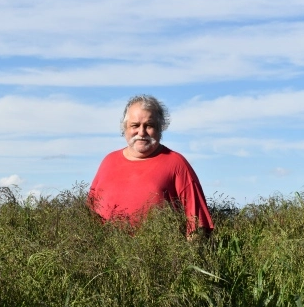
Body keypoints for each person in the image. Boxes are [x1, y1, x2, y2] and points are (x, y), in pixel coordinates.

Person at [88, 94, 214, 237]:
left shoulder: (176, 163)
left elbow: (197, 225)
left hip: (159, 257)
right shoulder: (108, 162)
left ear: (160, 128)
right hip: (106, 255)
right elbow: (88, 216)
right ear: (125, 128)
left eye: (149, 126)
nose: (141, 132)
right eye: (135, 125)